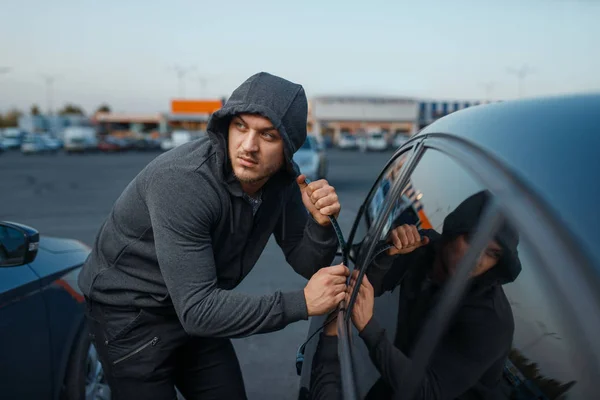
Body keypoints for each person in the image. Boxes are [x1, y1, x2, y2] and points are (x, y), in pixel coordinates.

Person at [78, 72, 350, 400]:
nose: (249, 146)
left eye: (267, 135)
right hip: (131, 316)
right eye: (241, 127)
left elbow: (305, 260)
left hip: (201, 305)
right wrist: (302, 303)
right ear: (226, 125)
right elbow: (198, 311)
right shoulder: (183, 182)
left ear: (287, 146)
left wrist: (319, 225)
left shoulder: (281, 182)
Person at [309, 191, 522, 400]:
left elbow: (428, 392)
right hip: (396, 378)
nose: (478, 259)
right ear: (456, 228)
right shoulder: (422, 247)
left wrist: (368, 329)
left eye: (493, 253)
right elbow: (364, 288)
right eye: (473, 241)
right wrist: (388, 254)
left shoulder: (492, 321)